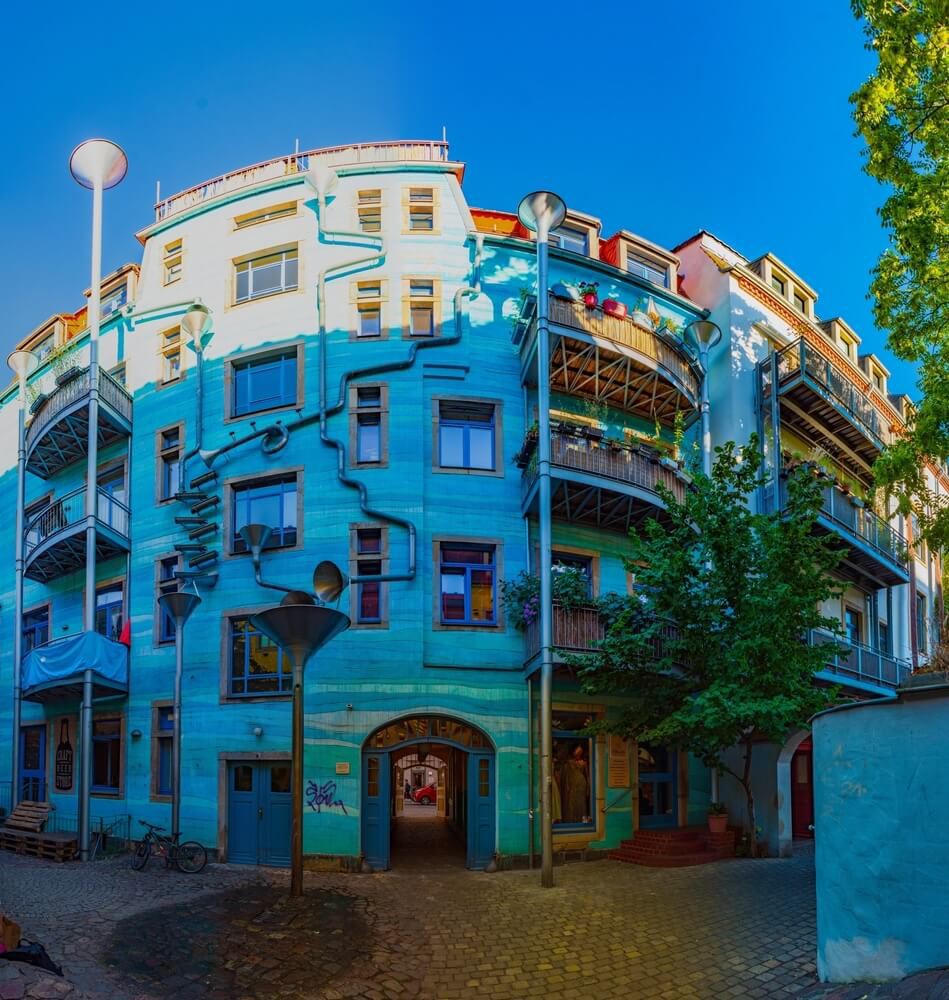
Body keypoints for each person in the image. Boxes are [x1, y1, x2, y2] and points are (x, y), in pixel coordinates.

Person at [560, 742, 589, 824]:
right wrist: (567, 787)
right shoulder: (568, 763)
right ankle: (571, 821)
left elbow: (587, 776)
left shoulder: (584, 763)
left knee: (581, 804)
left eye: (580, 752)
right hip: (572, 786)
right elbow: (566, 776)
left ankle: (582, 820)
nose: (578, 753)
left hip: (581, 786)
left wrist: (588, 787)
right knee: (571, 804)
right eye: (577, 751)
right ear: (573, 752)